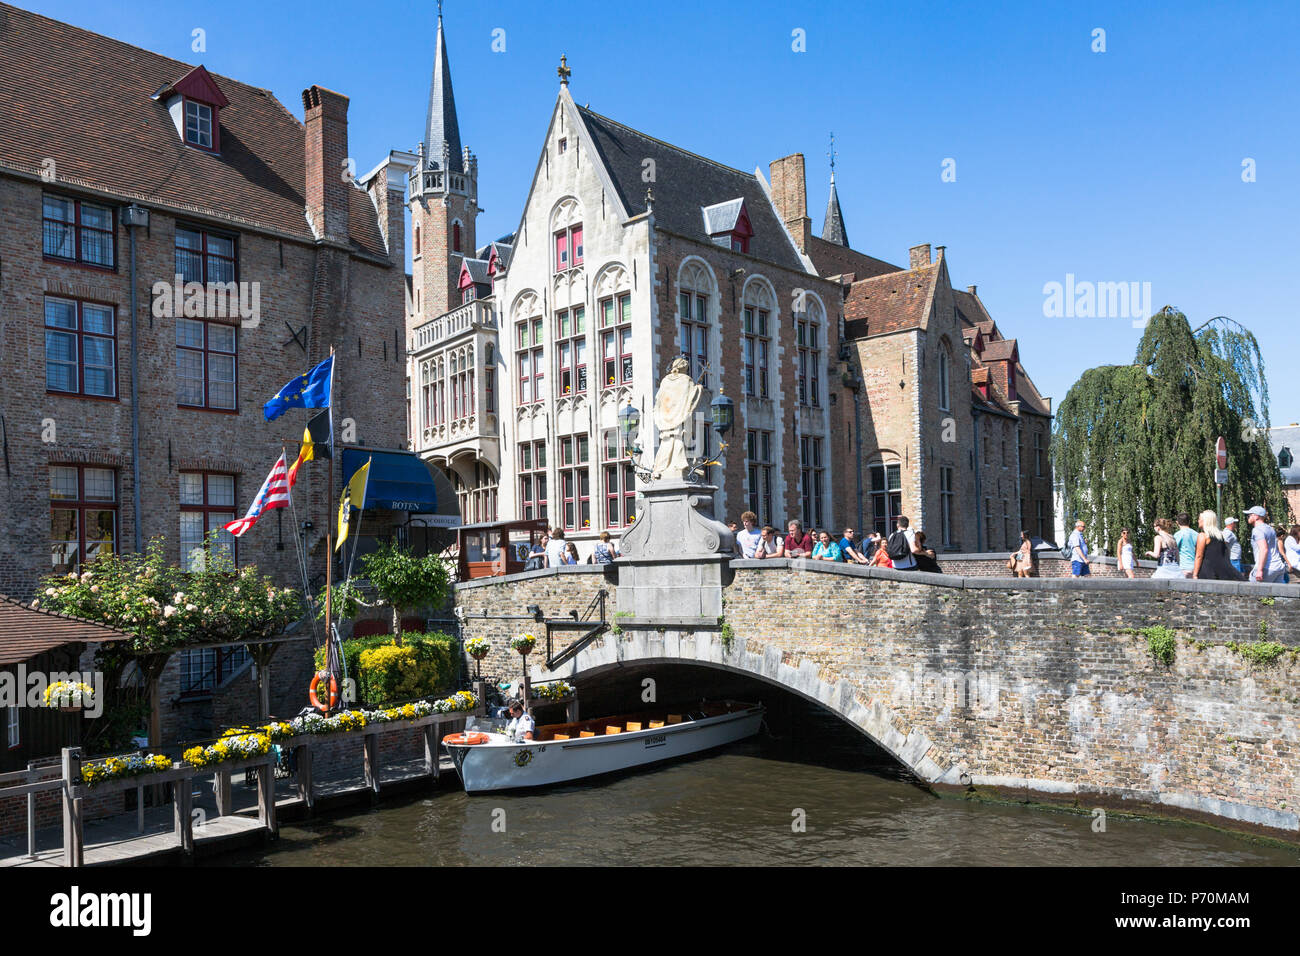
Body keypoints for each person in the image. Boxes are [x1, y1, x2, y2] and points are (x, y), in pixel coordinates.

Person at [1192, 510, 1244, 581]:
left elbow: (1199, 556)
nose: (1198, 521)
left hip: (1207, 572)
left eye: (1199, 519)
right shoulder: (1220, 536)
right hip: (1222, 572)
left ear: (1205, 521)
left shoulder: (1203, 536)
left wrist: (1195, 574)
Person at [1244, 506, 1287, 583]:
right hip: (1279, 567)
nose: (1248, 517)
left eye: (1249, 515)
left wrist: (1259, 570)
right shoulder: (1270, 528)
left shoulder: (1257, 530)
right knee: (1279, 593)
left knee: (1252, 592)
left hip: (1267, 568)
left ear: (1256, 516)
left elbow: (1264, 549)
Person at [1173, 512, 1197, 578]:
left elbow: (1173, 550)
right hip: (1195, 567)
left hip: (1183, 567)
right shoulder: (1196, 534)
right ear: (1189, 521)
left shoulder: (1178, 535)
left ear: (1177, 522)